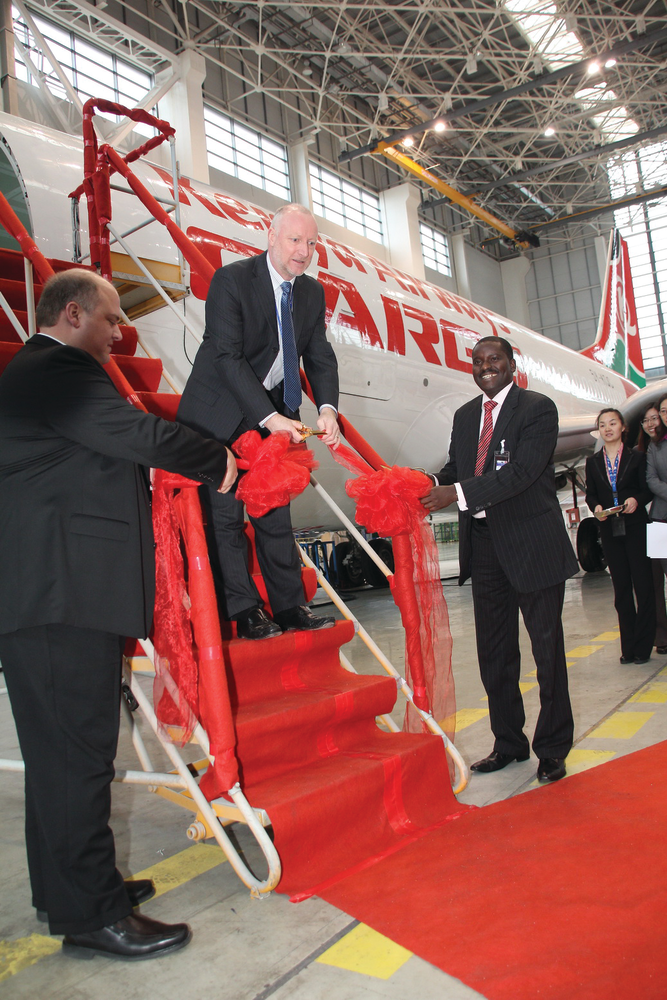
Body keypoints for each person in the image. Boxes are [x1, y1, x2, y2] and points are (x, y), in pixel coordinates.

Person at [0, 270, 236, 959]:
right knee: (75, 762)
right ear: (72, 315)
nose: (117, 334)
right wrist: (217, 458)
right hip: (58, 598)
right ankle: (92, 914)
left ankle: (74, 893)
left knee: (62, 762)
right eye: (110, 320)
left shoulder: (40, 373)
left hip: (57, 596)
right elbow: (139, 437)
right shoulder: (55, 370)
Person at [177, 203, 340, 640]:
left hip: (274, 414)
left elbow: (319, 355)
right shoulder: (232, 280)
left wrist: (327, 408)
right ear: (271, 237)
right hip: (220, 413)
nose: (304, 251)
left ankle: (290, 607)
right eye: (295, 240)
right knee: (226, 516)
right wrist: (270, 418)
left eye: (311, 243)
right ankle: (245, 610)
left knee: (275, 514)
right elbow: (227, 357)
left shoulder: (311, 293)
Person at [421, 336, 577, 783]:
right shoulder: (467, 415)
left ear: (511, 364)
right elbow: (458, 469)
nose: (485, 367)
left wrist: (457, 493)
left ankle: (552, 748)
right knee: (494, 654)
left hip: (532, 544)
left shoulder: (537, 409)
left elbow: (522, 473)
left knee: (547, 652)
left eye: (494, 360)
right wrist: (427, 480)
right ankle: (509, 742)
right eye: (478, 361)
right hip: (485, 545)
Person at [585, 408, 655, 664]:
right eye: (602, 425)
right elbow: (591, 494)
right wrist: (596, 508)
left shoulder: (637, 458)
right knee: (622, 590)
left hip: (636, 527)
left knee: (644, 587)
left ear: (623, 427)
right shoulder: (593, 462)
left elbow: (646, 490)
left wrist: (636, 499)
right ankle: (628, 648)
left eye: (612, 423)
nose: (608, 428)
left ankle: (644, 647)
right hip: (610, 530)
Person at [634, 401, 667, 655]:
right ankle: (662, 637)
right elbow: (651, 480)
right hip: (657, 519)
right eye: (646, 420)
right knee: (655, 580)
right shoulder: (646, 448)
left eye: (655, 418)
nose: (651, 424)